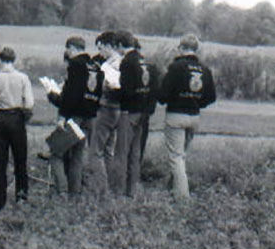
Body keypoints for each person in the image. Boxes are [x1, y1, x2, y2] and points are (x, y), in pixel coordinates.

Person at [158, 33, 216, 200]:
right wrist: (197, 102)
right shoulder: (205, 70)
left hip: (176, 115)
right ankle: (172, 188)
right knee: (181, 156)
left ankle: (182, 197)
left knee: (176, 158)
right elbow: (211, 97)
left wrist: (167, 98)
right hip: (194, 117)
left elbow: (163, 95)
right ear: (196, 50)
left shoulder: (176, 67)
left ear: (181, 48)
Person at [0, 46, 35, 209]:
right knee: (20, 158)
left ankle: (1, 200)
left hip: (0, 118)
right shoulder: (22, 78)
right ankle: (21, 196)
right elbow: (30, 104)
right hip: (17, 118)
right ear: (14, 60)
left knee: (0, 161)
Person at [46, 36, 98, 196]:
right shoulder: (94, 66)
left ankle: (61, 191)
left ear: (72, 48)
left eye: (68, 49)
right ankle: (74, 194)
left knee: (55, 153)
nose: (67, 52)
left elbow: (71, 95)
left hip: (74, 116)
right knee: (77, 156)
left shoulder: (75, 65)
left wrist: (62, 115)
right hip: (89, 117)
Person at [116, 30, 154, 197]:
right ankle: (133, 190)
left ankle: (119, 190)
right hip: (143, 111)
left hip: (129, 111)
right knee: (135, 153)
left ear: (120, 45)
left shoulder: (127, 62)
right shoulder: (144, 60)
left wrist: (113, 90)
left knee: (122, 152)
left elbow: (126, 90)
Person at [87, 30, 123, 196]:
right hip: (118, 110)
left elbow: (110, 87)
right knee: (109, 150)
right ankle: (112, 186)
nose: (100, 52)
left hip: (106, 108)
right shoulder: (122, 62)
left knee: (96, 151)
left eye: (102, 48)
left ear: (109, 46)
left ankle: (101, 190)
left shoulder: (109, 65)